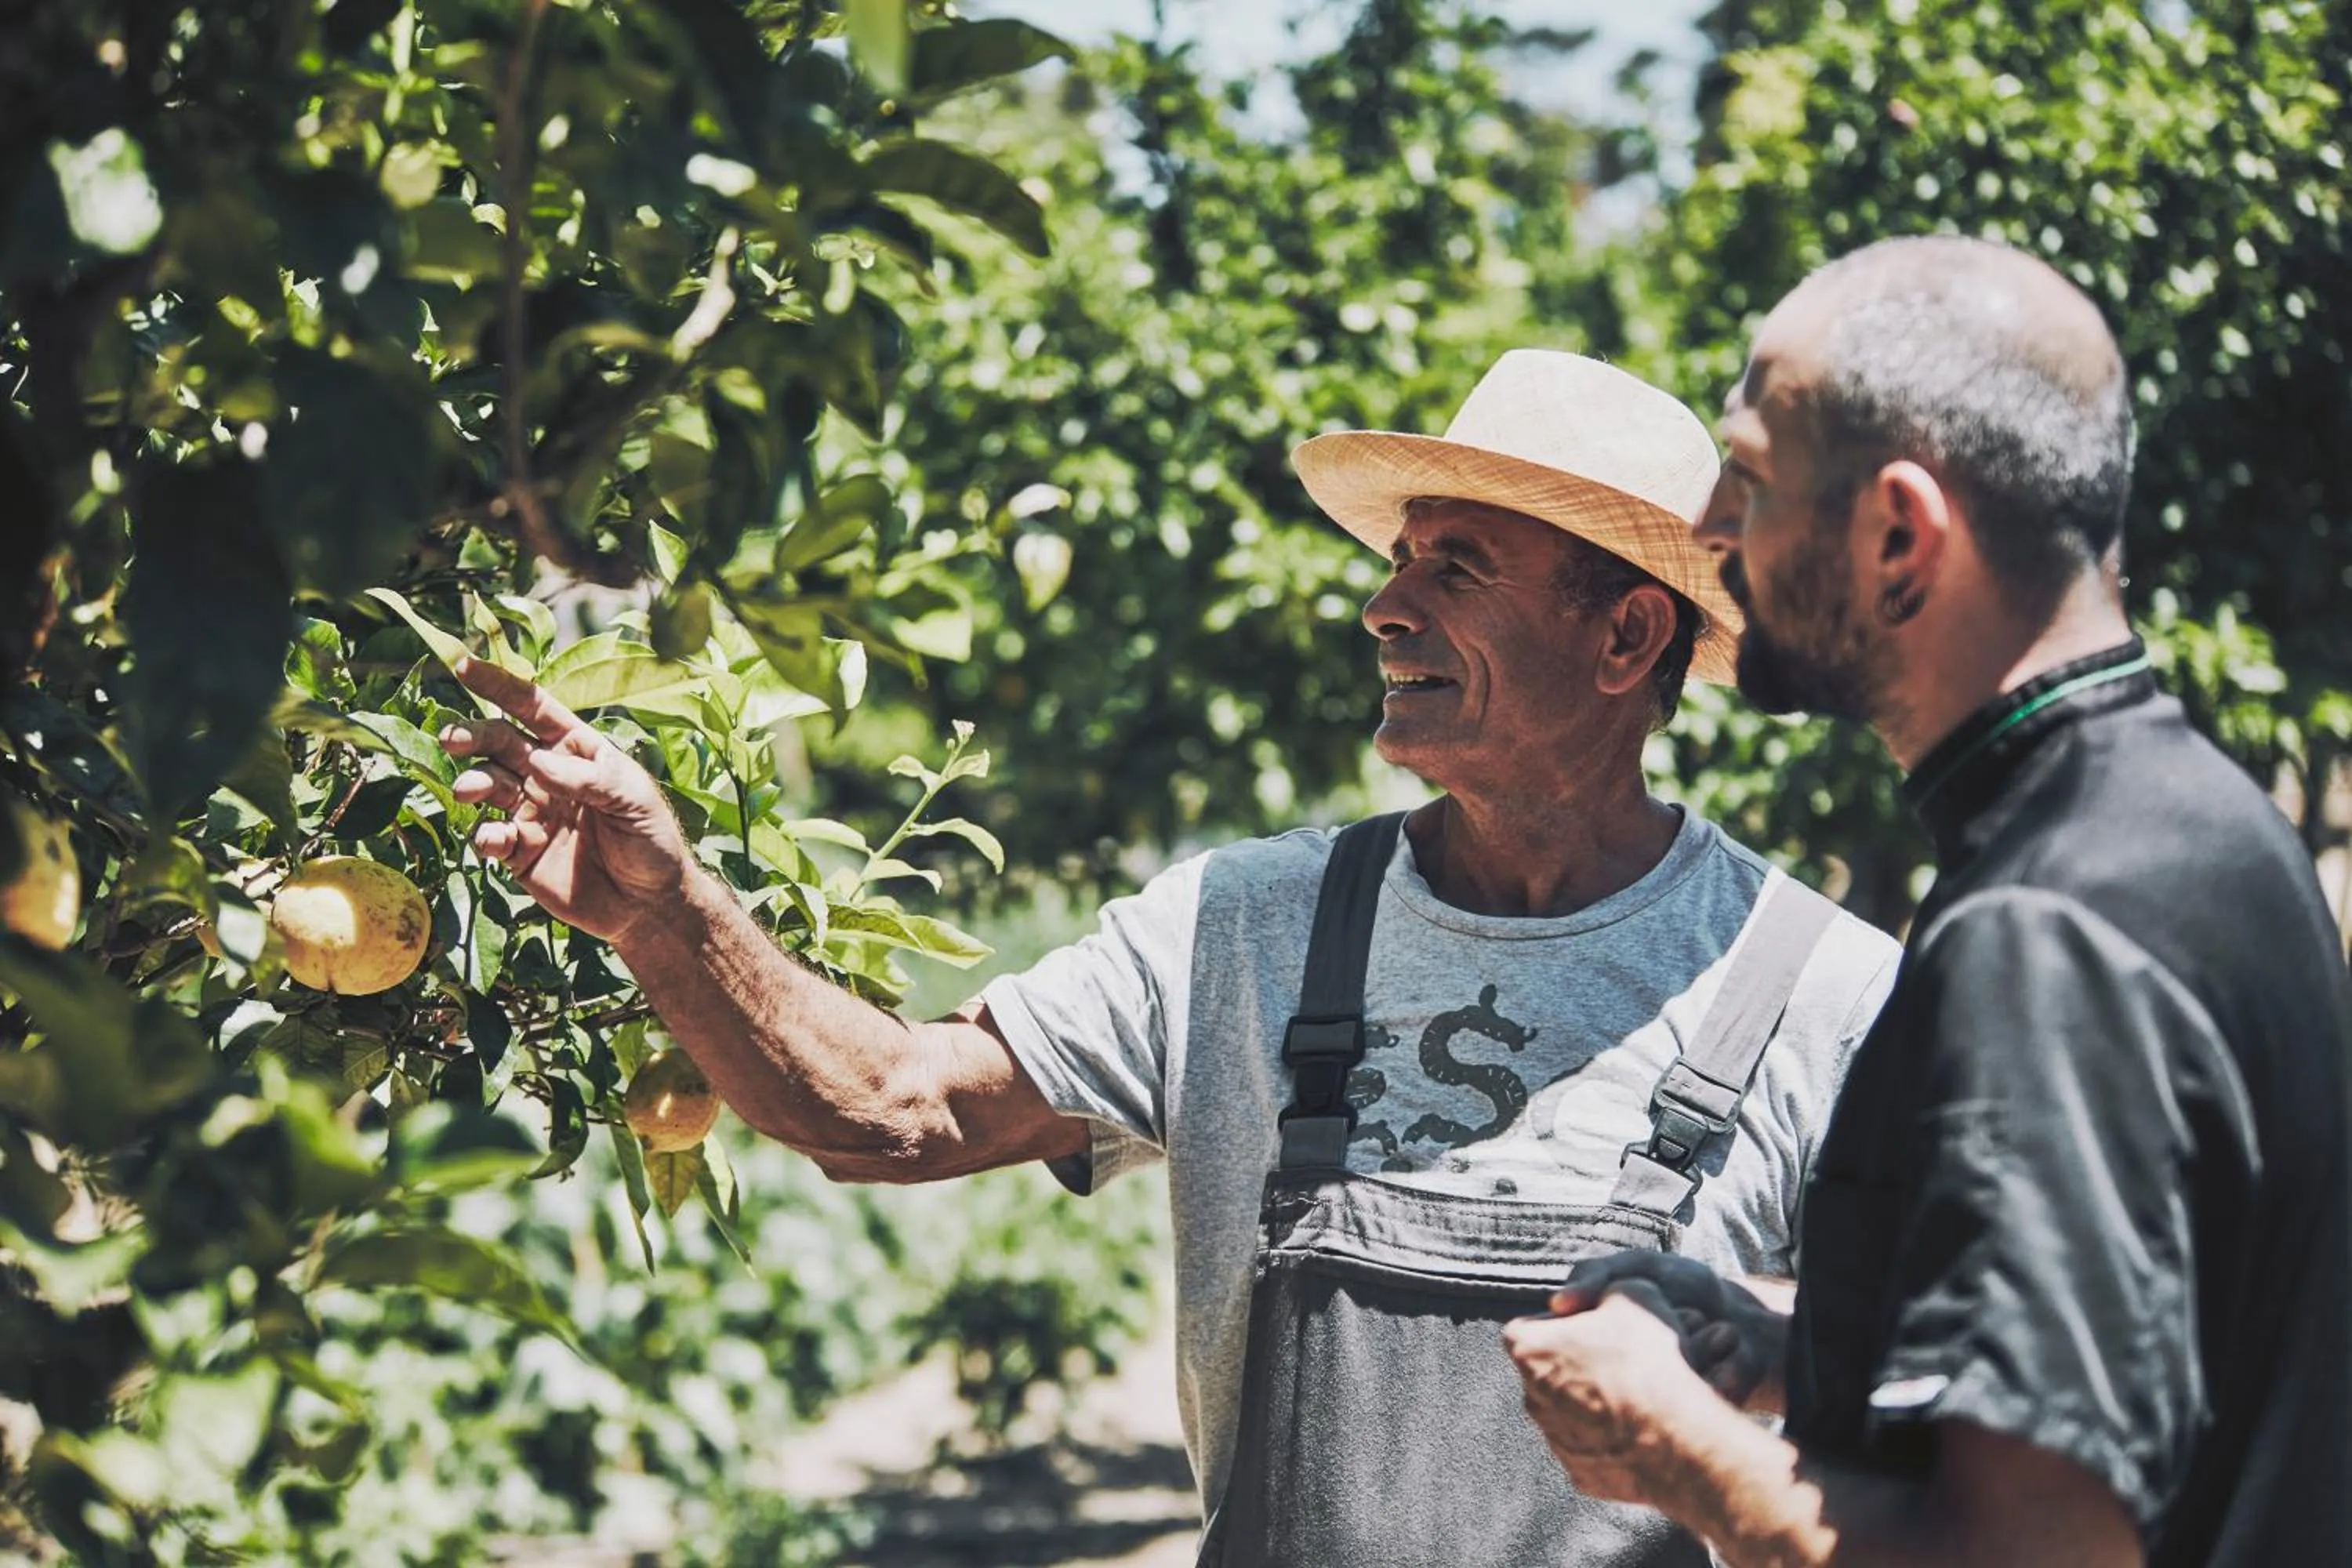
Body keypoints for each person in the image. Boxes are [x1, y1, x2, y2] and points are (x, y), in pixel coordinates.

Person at [438, 349, 1899, 1566]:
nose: (1387, 607)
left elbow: (1949, 1429)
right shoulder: (1247, 929)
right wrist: (662, 910)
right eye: (1399, 563)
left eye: (1458, 568)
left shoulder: (1822, 996)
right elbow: (893, 1109)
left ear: (1628, 632)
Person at [1506, 236, 2352, 1568]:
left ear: (1900, 535)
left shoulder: (2046, 927)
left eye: (1752, 479)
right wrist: (1796, 1345)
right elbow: (2160, 1376)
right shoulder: (2197, 829)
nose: (1711, 532)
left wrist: (1675, 1441)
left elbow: (2033, 1552)